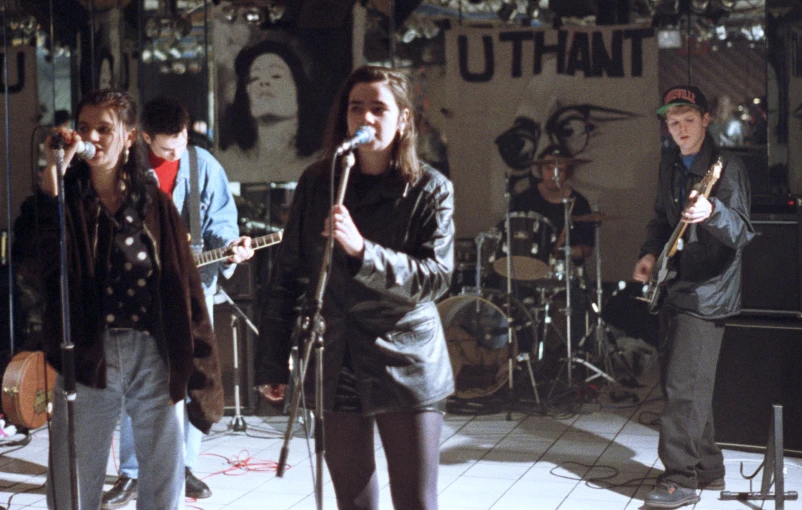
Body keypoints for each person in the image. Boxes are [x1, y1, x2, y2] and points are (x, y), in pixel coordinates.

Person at [12, 89, 224, 509]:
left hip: (153, 351)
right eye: (85, 126)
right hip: (90, 352)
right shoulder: (68, 203)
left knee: (163, 480)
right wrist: (52, 187)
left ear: (129, 137)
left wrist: (200, 368)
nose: (92, 136)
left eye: (104, 129)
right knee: (73, 479)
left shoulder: (155, 205)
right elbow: (34, 267)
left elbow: (187, 292)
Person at [255, 65, 455, 510]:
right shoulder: (318, 182)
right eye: (356, 107)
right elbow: (287, 276)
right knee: (353, 501)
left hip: (405, 359)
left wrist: (365, 252)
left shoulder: (430, 188)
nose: (366, 118)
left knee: (415, 502)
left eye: (379, 108)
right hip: (336, 356)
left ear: (403, 118)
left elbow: (436, 277)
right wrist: (271, 361)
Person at [101, 95, 254, 508]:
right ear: (144, 137)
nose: (175, 152)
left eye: (182, 141)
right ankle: (133, 472)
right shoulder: (125, 167)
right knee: (141, 379)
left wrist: (232, 248)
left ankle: (183, 465)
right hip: (137, 291)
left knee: (189, 374)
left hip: (191, 285)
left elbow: (222, 222)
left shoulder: (203, 165)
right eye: (166, 147)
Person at [632, 85, 754, 509]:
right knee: (682, 384)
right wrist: (650, 254)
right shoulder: (670, 165)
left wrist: (713, 213)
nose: (680, 128)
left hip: (709, 293)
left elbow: (740, 230)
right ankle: (708, 468)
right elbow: (659, 219)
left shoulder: (726, 167)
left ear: (706, 120)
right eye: (673, 121)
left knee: (684, 389)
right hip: (676, 286)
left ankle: (679, 480)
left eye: (688, 120)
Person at [219, 39, 320, 182]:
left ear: (299, 88)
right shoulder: (230, 161)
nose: (263, 82)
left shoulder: (318, 165)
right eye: (255, 77)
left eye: (276, 75)